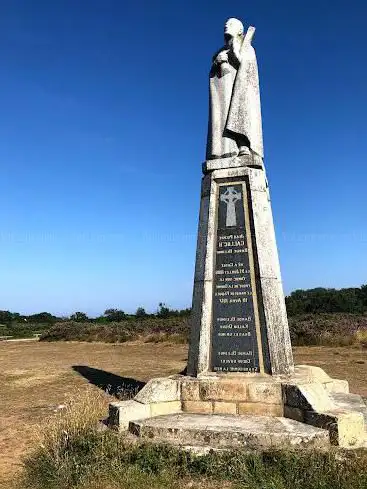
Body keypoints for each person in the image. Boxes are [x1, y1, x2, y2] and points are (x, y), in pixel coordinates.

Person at [206, 18, 264, 162]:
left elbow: (248, 71)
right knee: (221, 118)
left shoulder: (247, 48)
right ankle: (221, 151)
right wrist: (217, 62)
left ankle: (243, 145)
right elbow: (213, 77)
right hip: (223, 94)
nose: (226, 25)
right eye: (225, 23)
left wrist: (235, 53)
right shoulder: (219, 52)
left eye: (231, 23)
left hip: (239, 92)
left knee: (239, 115)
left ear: (240, 30)